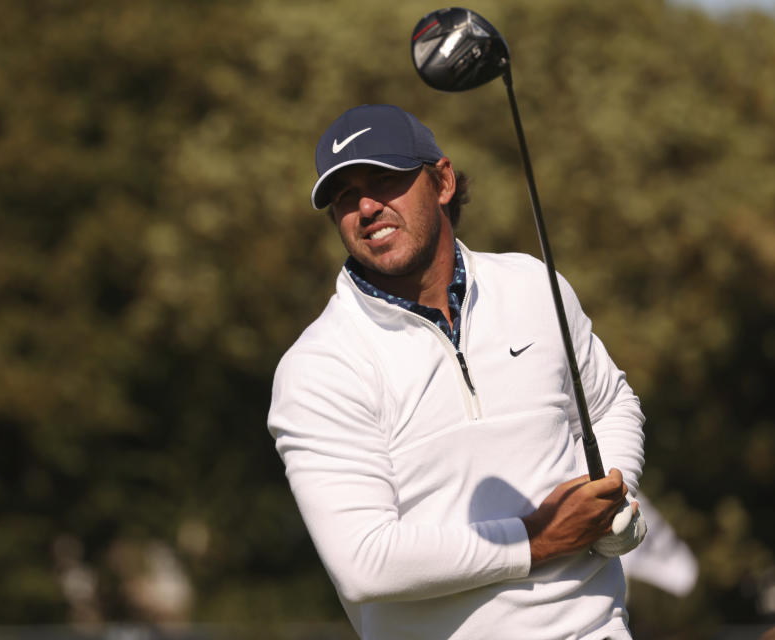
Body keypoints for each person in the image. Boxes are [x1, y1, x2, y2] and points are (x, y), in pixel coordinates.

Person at [267, 104, 647, 640]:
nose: (367, 206)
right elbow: (365, 561)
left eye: (384, 179)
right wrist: (540, 538)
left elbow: (611, 404)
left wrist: (610, 495)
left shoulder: (534, 286)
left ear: (442, 180)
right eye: (344, 196)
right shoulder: (319, 366)